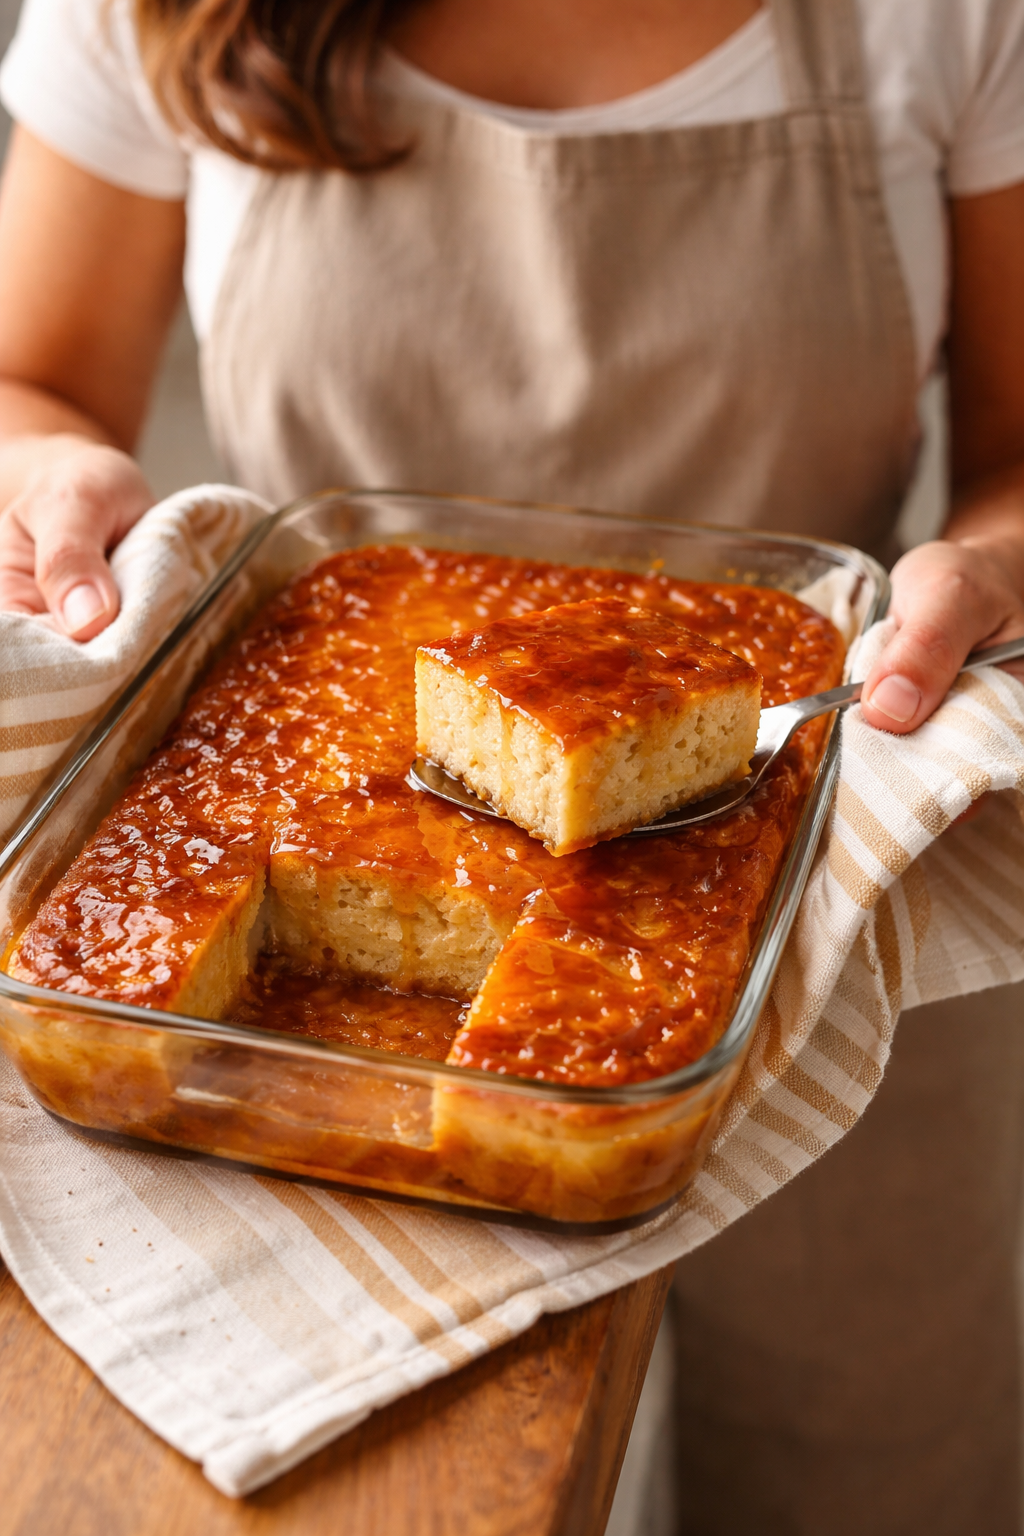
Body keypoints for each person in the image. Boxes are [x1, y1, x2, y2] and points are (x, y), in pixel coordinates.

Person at [0, 0, 1022, 1529]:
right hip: (294, 813)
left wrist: (994, 564)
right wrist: (40, 473)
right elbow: (37, 382)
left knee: (872, 1478)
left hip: (831, 902)